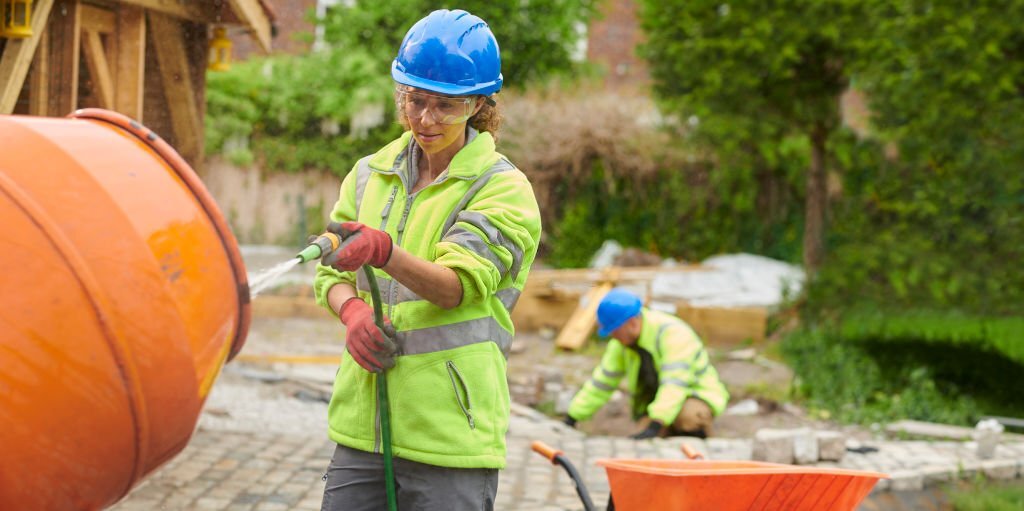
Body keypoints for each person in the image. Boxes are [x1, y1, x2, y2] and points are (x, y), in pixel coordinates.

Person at [311, 9, 541, 511]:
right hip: (363, 429)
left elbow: (456, 287)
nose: (425, 119)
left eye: (447, 106)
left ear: (478, 104)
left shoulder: (502, 189)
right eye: (415, 100)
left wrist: (384, 251)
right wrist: (351, 311)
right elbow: (330, 268)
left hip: (450, 434)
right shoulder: (369, 174)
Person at [564, 288, 730, 439]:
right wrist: (573, 416)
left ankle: (697, 447)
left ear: (632, 323)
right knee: (642, 436)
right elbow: (602, 384)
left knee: (688, 417)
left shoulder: (674, 335)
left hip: (694, 396)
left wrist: (657, 423)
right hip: (659, 404)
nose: (612, 337)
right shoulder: (620, 344)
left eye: (614, 331)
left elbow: (675, 384)